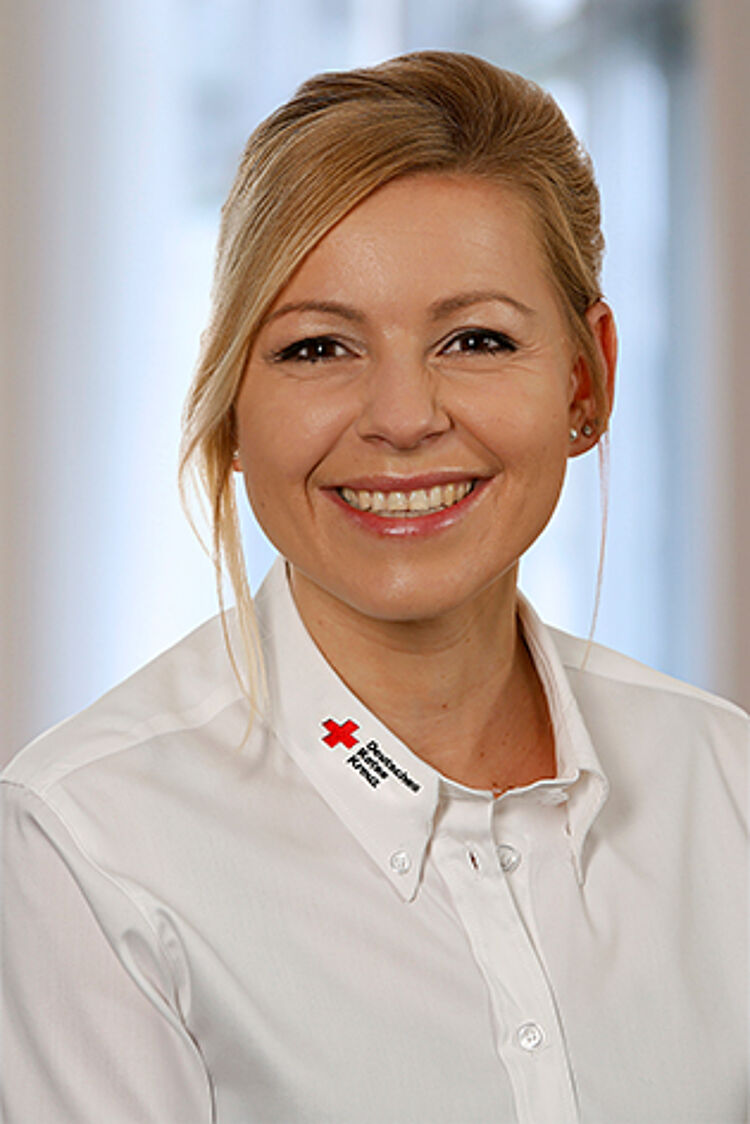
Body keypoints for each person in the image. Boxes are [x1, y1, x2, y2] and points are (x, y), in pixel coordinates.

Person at [1, 51, 746, 1124]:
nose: (402, 417)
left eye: (476, 339)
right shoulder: (89, 844)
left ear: (587, 380)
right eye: (317, 348)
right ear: (232, 407)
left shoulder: (727, 786)